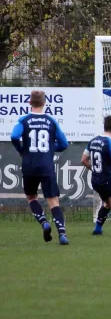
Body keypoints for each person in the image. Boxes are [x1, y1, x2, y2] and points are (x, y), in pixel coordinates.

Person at [10, 90, 70, 245]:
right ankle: (62, 234)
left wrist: (22, 149)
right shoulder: (51, 121)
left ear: (30, 103)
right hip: (46, 165)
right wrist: (50, 148)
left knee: (31, 197)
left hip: (29, 164)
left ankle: (44, 223)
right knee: (53, 200)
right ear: (45, 103)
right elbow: (64, 144)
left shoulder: (24, 120)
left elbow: (14, 136)